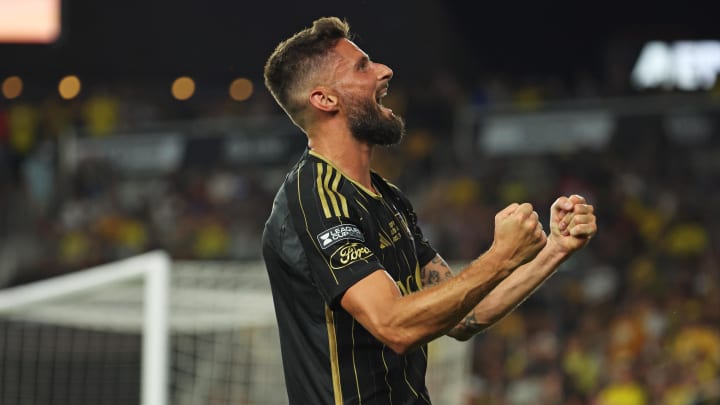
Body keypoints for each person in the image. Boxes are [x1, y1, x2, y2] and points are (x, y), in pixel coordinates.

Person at [261, 16, 597, 405]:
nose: (385, 71)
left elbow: (465, 314)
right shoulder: (315, 199)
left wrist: (554, 248)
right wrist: (501, 255)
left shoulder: (388, 198)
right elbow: (393, 324)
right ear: (325, 99)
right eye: (362, 66)